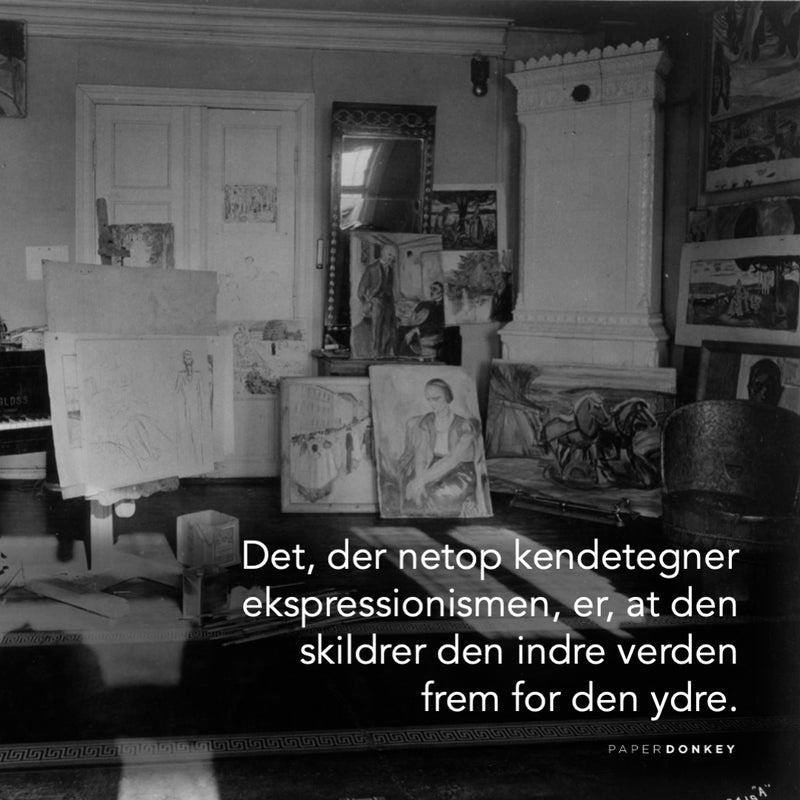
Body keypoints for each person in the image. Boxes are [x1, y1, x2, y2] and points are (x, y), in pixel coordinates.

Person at [398, 378, 488, 516]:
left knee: (438, 496)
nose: (432, 403)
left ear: (447, 397)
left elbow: (452, 459)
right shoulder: (427, 422)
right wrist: (419, 479)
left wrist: (421, 481)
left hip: (460, 470)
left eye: (436, 398)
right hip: (433, 464)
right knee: (413, 495)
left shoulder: (464, 425)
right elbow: (421, 453)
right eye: (429, 399)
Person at [357, 243, 398, 357]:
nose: (391, 258)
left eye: (393, 256)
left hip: (389, 302)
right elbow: (361, 289)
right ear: (383, 253)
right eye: (390, 255)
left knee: (389, 329)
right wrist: (366, 302)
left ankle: (386, 352)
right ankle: (375, 353)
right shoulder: (371, 268)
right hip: (376, 301)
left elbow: (390, 288)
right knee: (377, 329)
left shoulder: (390, 269)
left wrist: (394, 302)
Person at [398, 281, 445, 358]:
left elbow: (437, 325)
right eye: (431, 288)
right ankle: (400, 356)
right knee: (401, 330)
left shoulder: (443, 307)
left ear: (441, 292)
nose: (431, 291)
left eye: (435, 289)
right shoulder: (429, 304)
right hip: (423, 327)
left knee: (408, 335)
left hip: (431, 330)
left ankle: (404, 356)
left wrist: (417, 329)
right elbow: (419, 317)